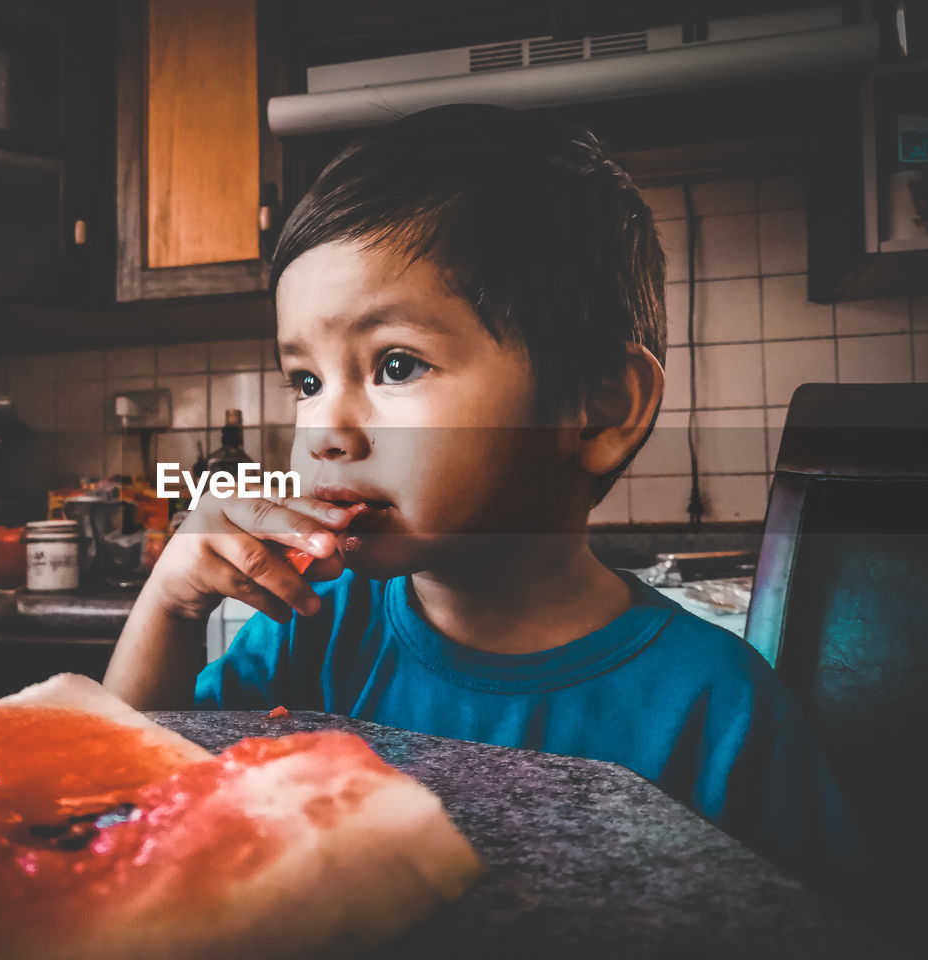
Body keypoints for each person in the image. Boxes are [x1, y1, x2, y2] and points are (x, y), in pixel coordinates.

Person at [104, 104, 864, 905]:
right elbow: (121, 810)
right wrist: (169, 606)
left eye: (396, 365)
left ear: (601, 409)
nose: (324, 430)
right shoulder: (310, 626)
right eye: (307, 381)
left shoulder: (719, 711)